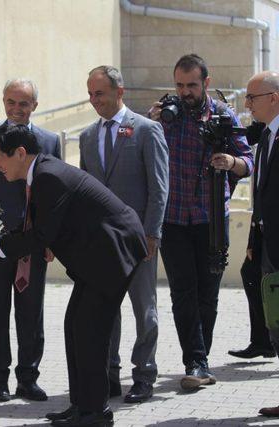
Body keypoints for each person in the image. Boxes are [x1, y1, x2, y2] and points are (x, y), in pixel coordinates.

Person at [0, 125, 147, 427]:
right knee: (75, 326)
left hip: (113, 254)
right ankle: (82, 406)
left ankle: (95, 413)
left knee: (89, 331)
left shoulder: (48, 176)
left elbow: (41, 236)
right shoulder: (43, 174)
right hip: (98, 256)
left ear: (20, 153)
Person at [148, 54, 253, 391]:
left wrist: (231, 161)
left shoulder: (223, 115)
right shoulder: (166, 116)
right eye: (179, 85)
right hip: (174, 218)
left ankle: (200, 358)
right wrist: (151, 123)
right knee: (183, 292)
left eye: (191, 85)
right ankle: (194, 360)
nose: (185, 92)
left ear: (206, 83)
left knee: (208, 293)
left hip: (212, 220)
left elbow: (249, 161)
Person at [0, 78, 61, 402]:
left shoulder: (49, 141)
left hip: (34, 243)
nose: (16, 109)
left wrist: (50, 240)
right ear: (2, 101)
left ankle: (28, 378)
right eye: (11, 102)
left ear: (35, 105)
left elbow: (54, 195)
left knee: (31, 312)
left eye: (24, 103)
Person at [78, 66, 168, 405]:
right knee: (104, 310)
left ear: (120, 92)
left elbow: (159, 188)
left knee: (145, 310)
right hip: (102, 242)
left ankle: (144, 375)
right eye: (90, 94)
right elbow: (86, 190)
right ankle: (109, 375)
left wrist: (151, 233)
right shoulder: (87, 136)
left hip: (139, 239)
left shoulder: (146, 130)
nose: (93, 100)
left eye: (99, 93)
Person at [242, 70, 279, 418]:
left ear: (274, 98)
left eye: (253, 98)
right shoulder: (266, 136)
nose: (247, 104)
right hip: (269, 246)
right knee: (277, 323)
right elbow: (261, 196)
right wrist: (255, 238)